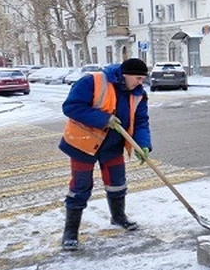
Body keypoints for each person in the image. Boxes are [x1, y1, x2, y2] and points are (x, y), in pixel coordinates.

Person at [58, 57, 152, 251]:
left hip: (112, 146)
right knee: (80, 188)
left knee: (117, 184)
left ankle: (118, 217)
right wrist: (104, 119)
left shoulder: (138, 94)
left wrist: (143, 145)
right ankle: (70, 232)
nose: (140, 82)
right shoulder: (93, 81)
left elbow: (141, 121)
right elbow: (71, 107)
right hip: (83, 144)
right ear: (125, 75)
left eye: (142, 78)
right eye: (138, 78)